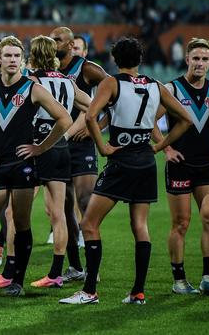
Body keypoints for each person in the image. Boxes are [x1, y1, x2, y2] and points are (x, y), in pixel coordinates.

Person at [59, 37, 191, 305]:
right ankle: (138, 293)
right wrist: (161, 145)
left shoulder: (112, 82)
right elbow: (186, 119)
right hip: (145, 159)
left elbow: (90, 116)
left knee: (89, 223)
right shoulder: (156, 85)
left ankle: (89, 291)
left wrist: (103, 146)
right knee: (140, 226)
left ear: (115, 60)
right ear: (140, 60)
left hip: (120, 158)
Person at [0, 35, 72, 297]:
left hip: (23, 165)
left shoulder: (33, 88)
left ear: (23, 60)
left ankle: (17, 282)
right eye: (7, 56)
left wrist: (41, 147)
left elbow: (64, 119)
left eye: (17, 56)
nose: (12, 60)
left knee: (21, 224)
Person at [155, 38, 209, 295]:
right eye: (195, 58)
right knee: (181, 223)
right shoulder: (171, 89)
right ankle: (179, 280)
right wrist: (167, 148)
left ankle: (208, 277)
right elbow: (152, 120)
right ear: (187, 60)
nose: (200, 63)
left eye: (204, 59)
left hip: (207, 164)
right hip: (180, 165)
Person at [28, 36, 91, 288]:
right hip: (61, 149)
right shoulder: (67, 81)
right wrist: (70, 131)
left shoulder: (30, 81)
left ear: (32, 57)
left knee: (15, 213)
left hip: (35, 148)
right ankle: (58, 271)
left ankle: (12, 269)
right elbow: (93, 105)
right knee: (60, 214)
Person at [50, 27, 109, 282]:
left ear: (71, 44)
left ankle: (92, 270)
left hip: (82, 146)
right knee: (63, 209)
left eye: (58, 40)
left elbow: (114, 93)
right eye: (51, 39)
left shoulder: (86, 68)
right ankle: (75, 266)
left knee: (86, 204)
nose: (53, 43)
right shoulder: (48, 70)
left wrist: (95, 125)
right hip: (58, 146)